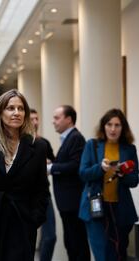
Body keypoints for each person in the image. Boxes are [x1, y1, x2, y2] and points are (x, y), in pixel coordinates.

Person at [0, 90, 49, 260]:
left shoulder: (37, 147)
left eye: (21, 109)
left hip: (22, 223)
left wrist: (34, 218)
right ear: (0, 112)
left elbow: (41, 188)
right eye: (10, 108)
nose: (16, 113)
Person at [79, 109, 138, 261]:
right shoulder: (92, 145)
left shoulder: (129, 149)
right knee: (102, 254)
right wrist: (101, 168)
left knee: (119, 254)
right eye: (109, 124)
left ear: (123, 128)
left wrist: (121, 173)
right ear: (103, 127)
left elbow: (134, 180)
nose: (113, 129)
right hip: (96, 207)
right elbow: (83, 173)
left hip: (121, 209)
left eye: (117, 125)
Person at [48, 105, 90, 261]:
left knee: (76, 243)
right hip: (68, 202)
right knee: (71, 242)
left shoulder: (76, 138)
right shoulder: (69, 138)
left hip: (73, 201)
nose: (53, 122)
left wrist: (51, 168)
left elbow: (75, 165)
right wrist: (52, 163)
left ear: (69, 119)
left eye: (57, 118)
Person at [30, 109, 56, 261]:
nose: (35, 122)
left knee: (50, 236)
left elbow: (55, 162)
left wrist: (48, 164)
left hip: (43, 193)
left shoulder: (43, 143)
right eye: (31, 119)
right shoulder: (19, 143)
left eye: (37, 119)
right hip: (24, 195)